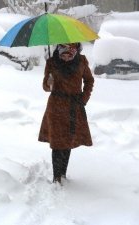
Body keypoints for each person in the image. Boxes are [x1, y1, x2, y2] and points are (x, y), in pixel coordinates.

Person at [38, 43, 94, 185]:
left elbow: (89, 80)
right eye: (64, 46)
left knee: (68, 141)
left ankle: (63, 174)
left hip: (74, 107)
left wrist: (84, 98)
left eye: (70, 47)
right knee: (57, 142)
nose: (67, 50)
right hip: (56, 107)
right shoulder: (52, 62)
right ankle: (57, 178)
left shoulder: (81, 61)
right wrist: (48, 82)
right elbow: (45, 87)